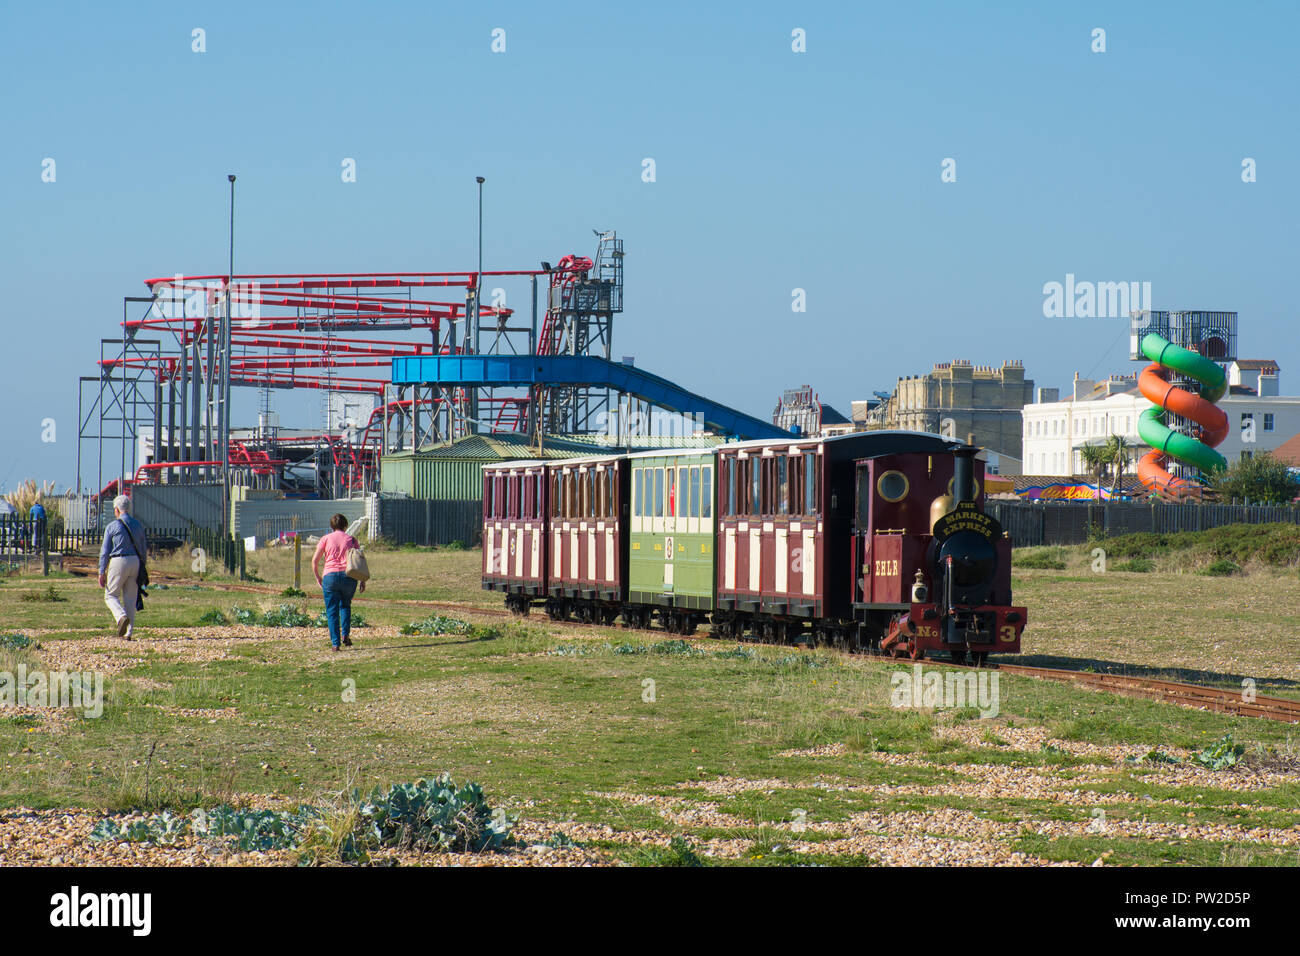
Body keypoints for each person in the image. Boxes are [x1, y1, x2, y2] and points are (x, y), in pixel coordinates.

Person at [312, 513, 364, 652]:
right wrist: (362, 580)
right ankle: (345, 635)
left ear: (331, 526)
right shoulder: (352, 540)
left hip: (330, 576)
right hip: (349, 576)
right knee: (345, 606)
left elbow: (315, 561)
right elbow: (359, 561)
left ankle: (335, 643)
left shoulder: (325, 539)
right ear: (346, 525)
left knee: (332, 611)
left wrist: (318, 576)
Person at [98, 494, 147, 639]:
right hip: (136, 561)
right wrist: (142, 566)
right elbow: (144, 549)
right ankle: (128, 633)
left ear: (117, 510)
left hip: (118, 561)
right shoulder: (138, 525)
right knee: (130, 599)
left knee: (110, 595)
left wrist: (102, 571)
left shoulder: (112, 526)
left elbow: (105, 551)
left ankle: (121, 617)